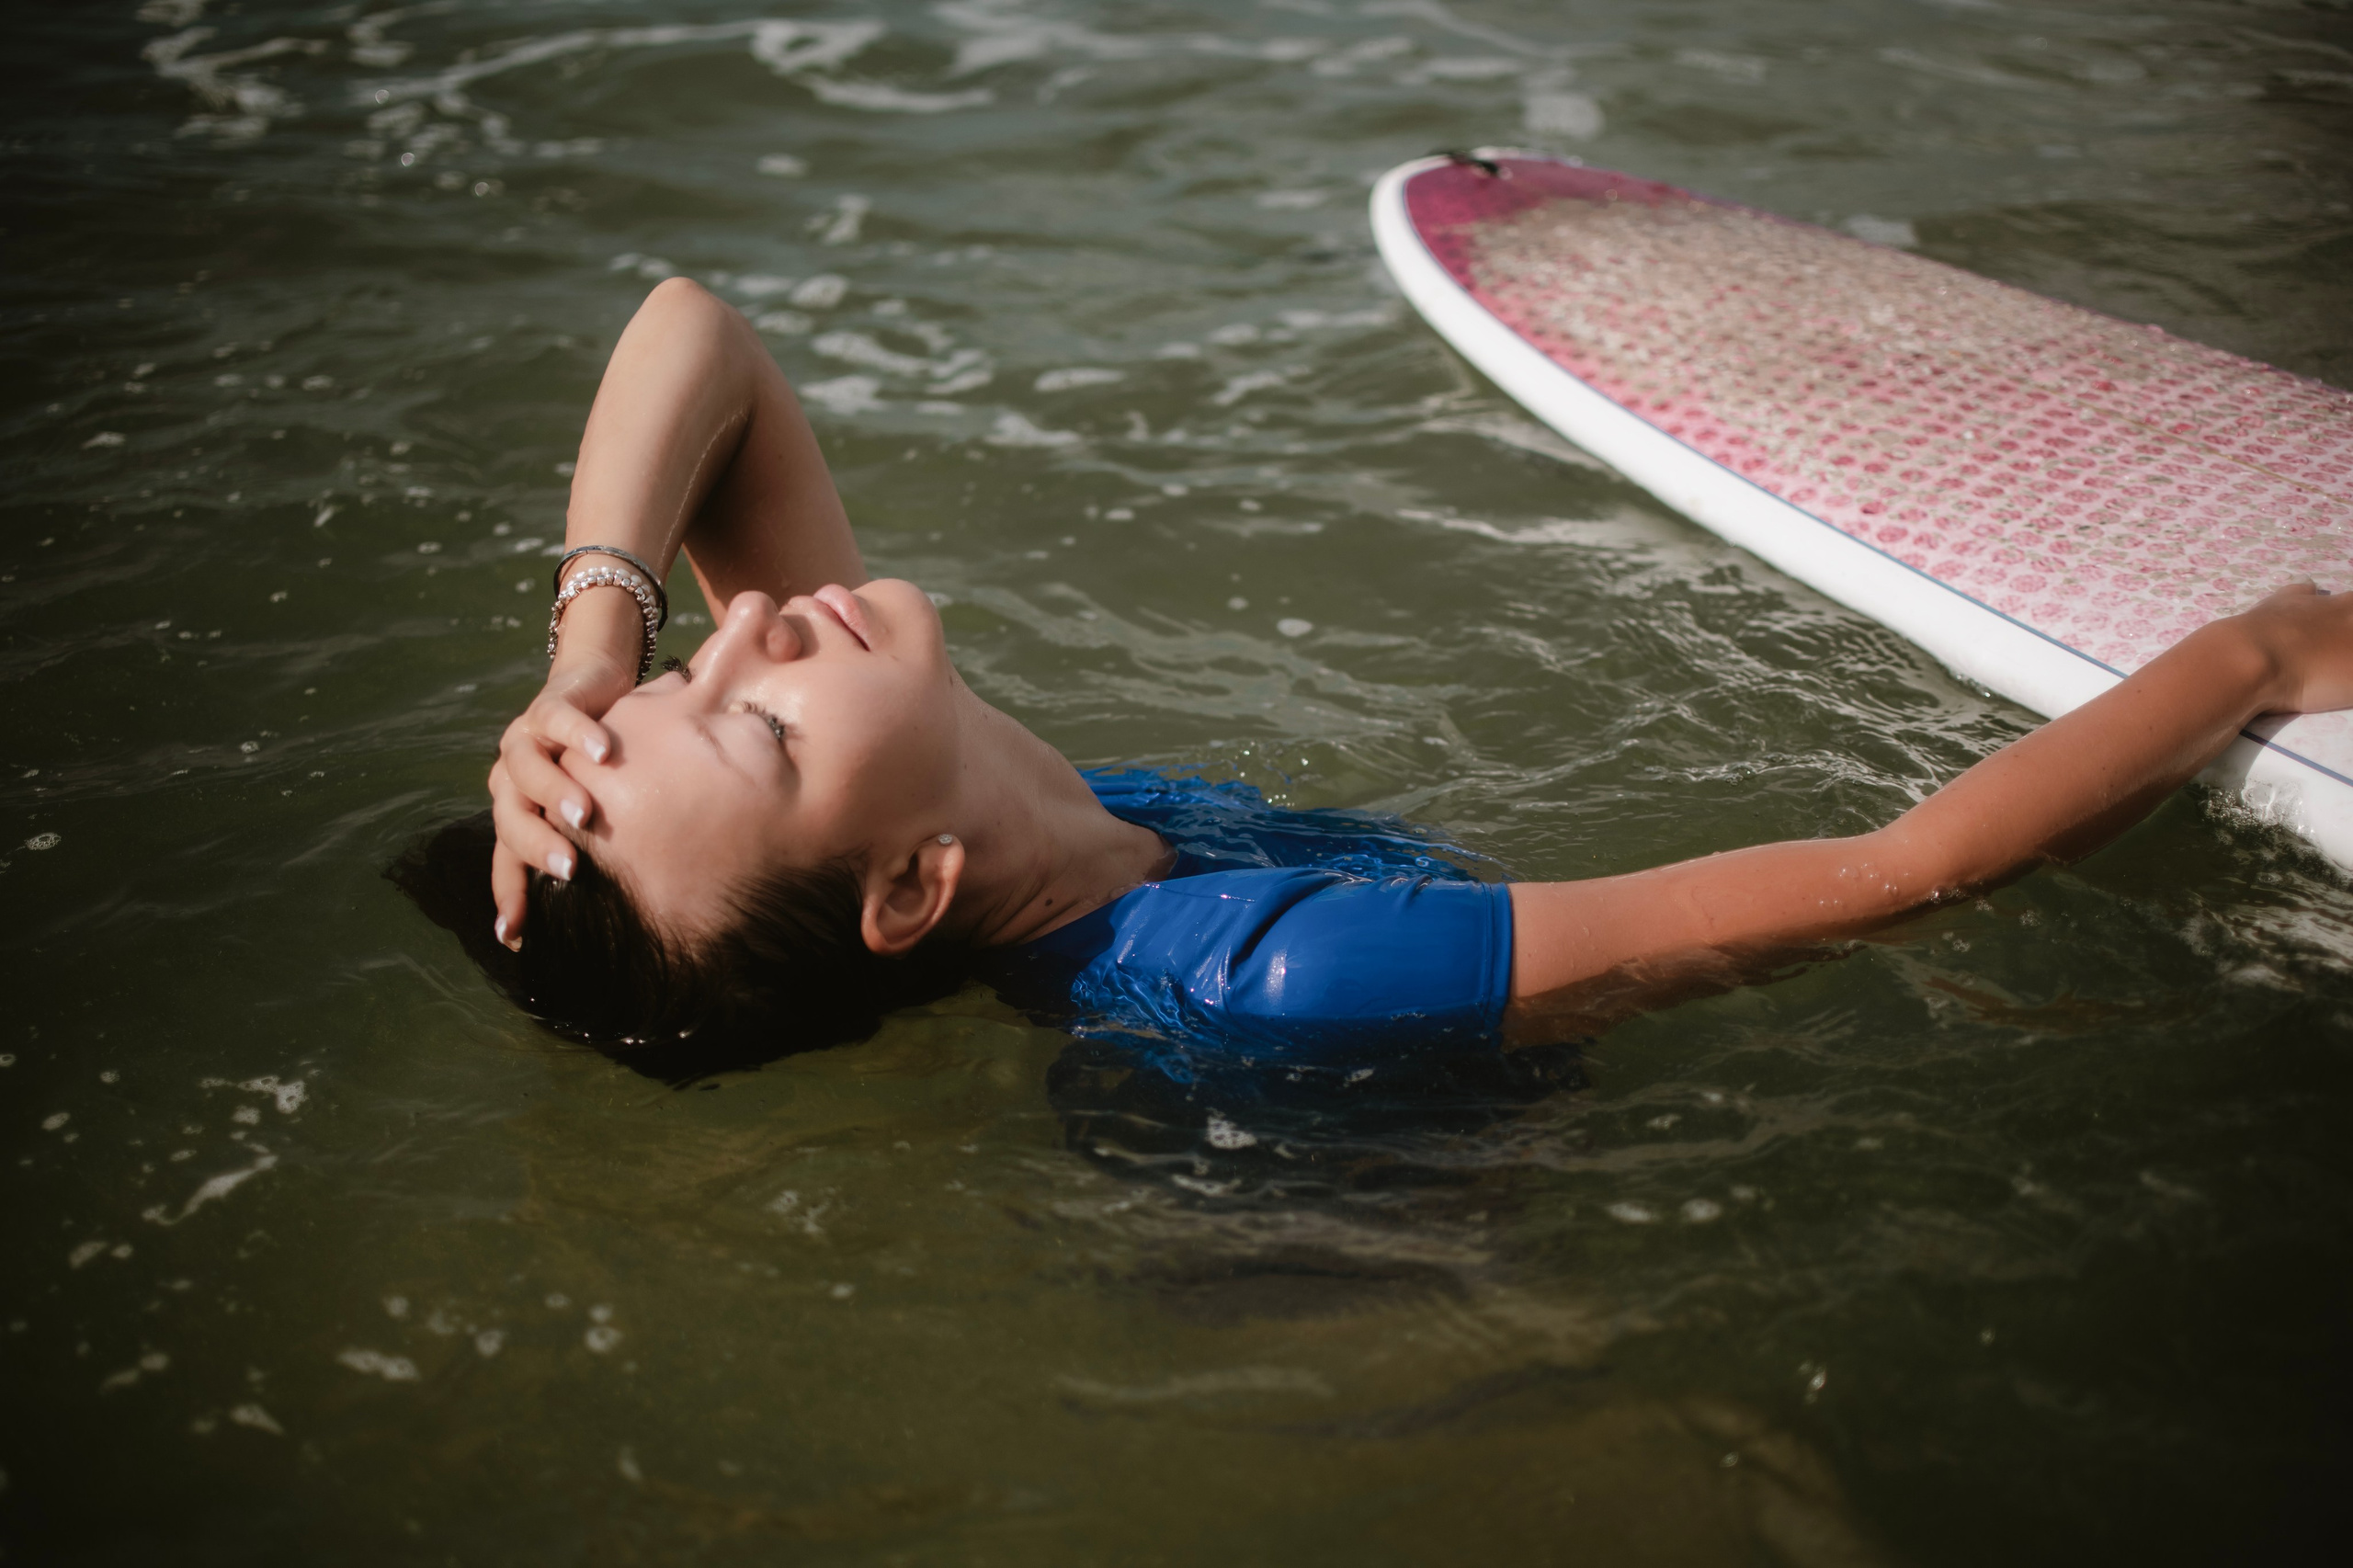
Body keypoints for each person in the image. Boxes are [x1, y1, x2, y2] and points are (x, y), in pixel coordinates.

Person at [396, 278, 2353, 1076]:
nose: (746, 619)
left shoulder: (963, 801)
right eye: (743, 714)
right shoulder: (1274, 969)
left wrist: (594, 644)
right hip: (1443, 1200)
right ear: (904, 888)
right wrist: (2259, 645)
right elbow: (1889, 869)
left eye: (696, 647)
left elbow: (697, 342)